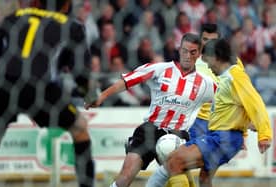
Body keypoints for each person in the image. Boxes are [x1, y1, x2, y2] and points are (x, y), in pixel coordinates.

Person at [84, 33, 217, 187]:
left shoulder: (206, 84)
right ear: (179, 50)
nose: (187, 56)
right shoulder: (160, 69)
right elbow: (127, 81)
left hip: (177, 135)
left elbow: (227, 102)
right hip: (150, 129)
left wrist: (244, 125)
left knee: (178, 181)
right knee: (125, 177)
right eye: (184, 51)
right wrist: (102, 96)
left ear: (199, 54)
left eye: (193, 52)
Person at [0, 0, 94, 187]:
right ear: (65, 6)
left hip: (4, 85)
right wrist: (88, 94)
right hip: (40, 87)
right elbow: (80, 72)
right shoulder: (72, 26)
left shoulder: (15, 17)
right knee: (79, 128)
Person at [166, 38, 272, 187]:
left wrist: (264, 135)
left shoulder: (235, 76)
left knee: (174, 161)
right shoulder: (223, 77)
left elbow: (255, 103)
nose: (208, 66)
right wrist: (245, 134)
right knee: (203, 179)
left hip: (225, 138)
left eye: (208, 60)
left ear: (217, 57)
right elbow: (239, 107)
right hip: (219, 136)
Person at [146, 23, 221, 187]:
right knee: (176, 161)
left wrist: (242, 130)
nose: (209, 44)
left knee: (202, 173)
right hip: (195, 122)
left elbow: (235, 96)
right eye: (205, 40)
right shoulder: (193, 63)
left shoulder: (228, 65)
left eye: (213, 41)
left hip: (216, 123)